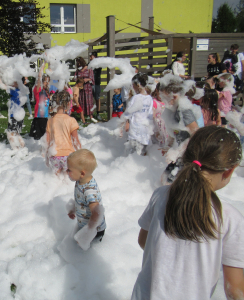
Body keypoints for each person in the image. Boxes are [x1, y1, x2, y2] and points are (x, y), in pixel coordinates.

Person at [131, 126, 244, 300]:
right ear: (229, 170)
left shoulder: (160, 196)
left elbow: (143, 240)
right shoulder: (229, 218)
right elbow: (234, 289)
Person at [159, 74, 199, 184]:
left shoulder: (184, 111)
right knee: (164, 179)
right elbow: (174, 131)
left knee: (172, 182)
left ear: (175, 97)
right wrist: (169, 145)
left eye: (164, 98)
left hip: (188, 155)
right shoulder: (172, 110)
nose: (162, 101)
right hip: (180, 154)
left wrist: (177, 151)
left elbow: (197, 134)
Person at [66, 149, 106, 251]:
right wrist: (73, 209)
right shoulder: (81, 180)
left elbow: (97, 212)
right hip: (84, 225)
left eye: (69, 170)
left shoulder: (89, 191)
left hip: (94, 231)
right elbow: (81, 200)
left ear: (82, 173)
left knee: (87, 250)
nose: (66, 171)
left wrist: (88, 232)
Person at [45, 90, 81, 175]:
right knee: (67, 179)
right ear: (68, 104)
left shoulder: (50, 120)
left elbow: (47, 141)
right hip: (68, 156)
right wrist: (81, 154)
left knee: (56, 178)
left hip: (54, 155)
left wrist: (46, 156)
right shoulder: (71, 120)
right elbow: (75, 141)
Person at [123, 73, 153, 156]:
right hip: (145, 133)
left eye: (133, 85)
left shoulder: (135, 98)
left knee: (132, 155)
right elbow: (150, 115)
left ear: (138, 85)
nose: (132, 87)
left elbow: (128, 113)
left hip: (135, 131)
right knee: (142, 155)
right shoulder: (150, 98)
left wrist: (126, 123)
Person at [29, 61, 50, 140]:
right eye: (45, 81)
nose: (47, 83)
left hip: (45, 116)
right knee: (40, 136)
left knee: (45, 135)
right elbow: (39, 77)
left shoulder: (46, 91)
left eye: (48, 81)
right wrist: (44, 65)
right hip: (39, 116)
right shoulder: (38, 89)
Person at [74, 57, 97, 123]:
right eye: (77, 63)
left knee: (89, 102)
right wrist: (76, 79)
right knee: (81, 102)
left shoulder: (89, 69)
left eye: (79, 63)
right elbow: (75, 78)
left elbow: (92, 79)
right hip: (80, 89)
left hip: (87, 88)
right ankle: (82, 116)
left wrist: (87, 79)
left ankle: (91, 116)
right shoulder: (78, 70)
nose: (78, 64)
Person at [6, 81, 25, 150]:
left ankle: (14, 148)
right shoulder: (22, 91)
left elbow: (4, 86)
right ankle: (22, 146)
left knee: (10, 133)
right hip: (20, 115)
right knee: (16, 133)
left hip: (14, 115)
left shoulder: (14, 90)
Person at [90, 52, 103, 120]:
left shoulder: (98, 64)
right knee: (90, 100)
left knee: (97, 99)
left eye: (91, 56)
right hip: (90, 84)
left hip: (97, 83)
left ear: (94, 57)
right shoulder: (89, 64)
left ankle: (98, 113)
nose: (90, 58)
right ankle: (91, 115)